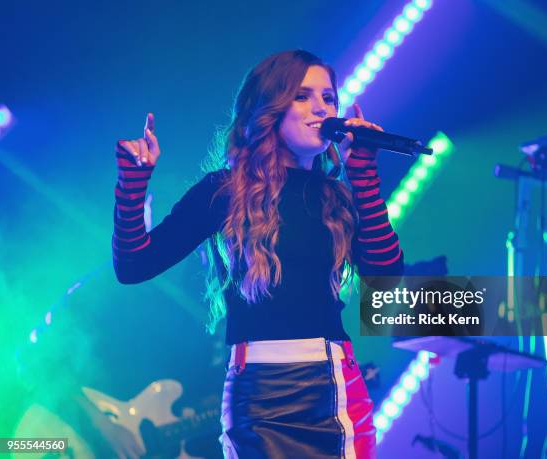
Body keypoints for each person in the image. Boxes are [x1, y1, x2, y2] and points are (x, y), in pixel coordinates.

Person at [113, 50, 404, 458]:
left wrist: (364, 174)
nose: (322, 108)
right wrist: (133, 181)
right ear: (270, 107)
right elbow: (134, 264)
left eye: (328, 98)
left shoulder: (333, 196)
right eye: (303, 96)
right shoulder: (225, 190)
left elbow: (387, 276)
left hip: (334, 386)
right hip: (258, 395)